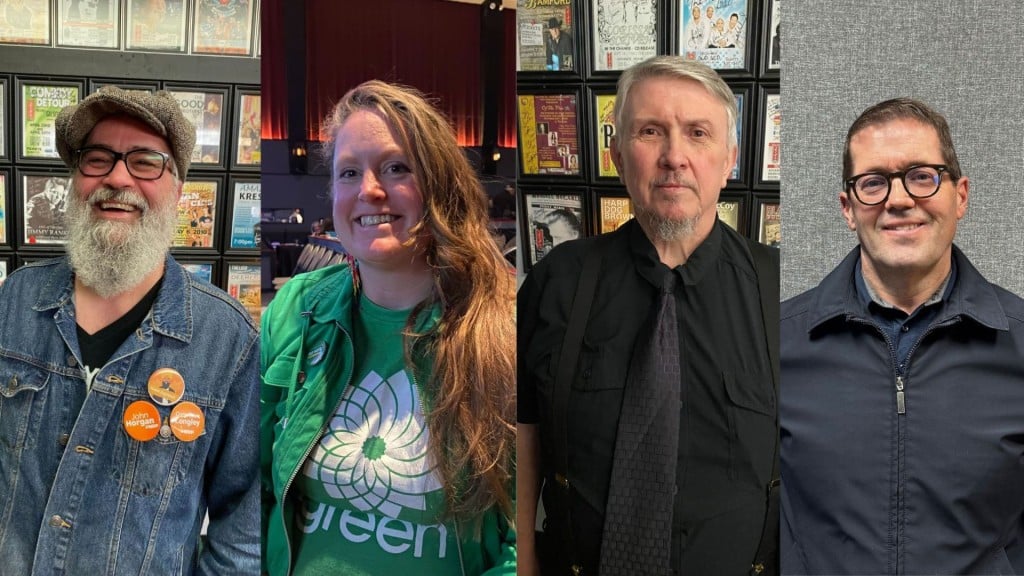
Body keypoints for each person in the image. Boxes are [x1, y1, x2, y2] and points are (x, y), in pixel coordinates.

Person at [518, 55, 779, 576]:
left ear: (729, 159)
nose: (674, 156)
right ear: (617, 155)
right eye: (650, 131)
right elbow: (523, 441)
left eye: (698, 133)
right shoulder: (556, 283)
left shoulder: (784, 289)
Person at [261, 80, 516, 576]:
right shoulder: (295, 310)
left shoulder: (507, 328)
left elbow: (520, 544)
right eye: (349, 172)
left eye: (396, 168)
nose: (369, 190)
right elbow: (252, 492)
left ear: (441, 185)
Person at [0, 86, 260, 573]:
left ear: (179, 190)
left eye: (145, 161)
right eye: (97, 158)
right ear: (76, 179)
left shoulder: (228, 340)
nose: (118, 177)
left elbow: (244, 521)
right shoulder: (13, 301)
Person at [780, 98, 1024, 574]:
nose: (897, 199)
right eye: (874, 182)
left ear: (961, 196)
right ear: (849, 209)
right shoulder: (778, 342)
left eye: (921, 175)